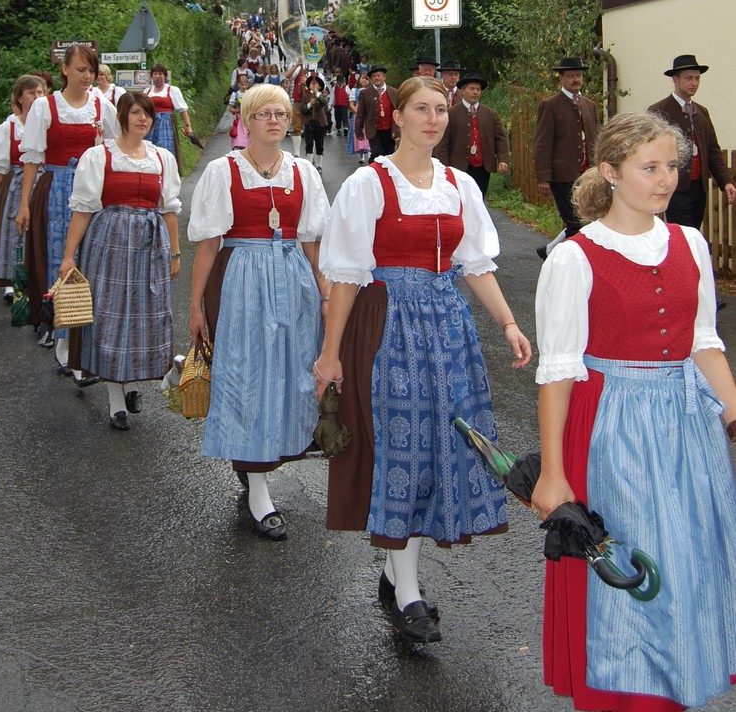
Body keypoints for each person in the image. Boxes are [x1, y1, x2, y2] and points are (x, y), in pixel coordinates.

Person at [531, 111, 736, 711]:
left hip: (687, 429)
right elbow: (558, 373)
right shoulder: (575, 258)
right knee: (631, 565)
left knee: (690, 559)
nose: (666, 179)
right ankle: (630, 695)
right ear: (611, 171)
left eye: (672, 166)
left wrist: (732, 411)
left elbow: (704, 343)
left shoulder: (690, 243)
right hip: (613, 430)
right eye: (650, 167)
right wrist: (552, 475)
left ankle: (676, 686)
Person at [314, 77, 531, 643]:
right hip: (388, 324)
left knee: (441, 445)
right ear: (399, 117)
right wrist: (330, 354)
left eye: (441, 110)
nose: (433, 119)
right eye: (421, 109)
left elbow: (475, 265)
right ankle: (407, 591)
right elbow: (345, 277)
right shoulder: (368, 184)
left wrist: (508, 323)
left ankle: (396, 576)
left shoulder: (460, 185)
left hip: (447, 327)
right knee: (401, 447)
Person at [188, 83, 330, 541]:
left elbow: (313, 241)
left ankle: (260, 465)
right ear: (246, 121)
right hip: (239, 281)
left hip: (292, 280)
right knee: (246, 377)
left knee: (290, 375)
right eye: (264, 113)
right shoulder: (224, 171)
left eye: (281, 113)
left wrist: (325, 293)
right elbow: (208, 244)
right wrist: (195, 305)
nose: (274, 120)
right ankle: (259, 490)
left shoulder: (302, 172)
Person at [58, 92, 181, 430]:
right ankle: (116, 399)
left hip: (150, 245)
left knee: (145, 315)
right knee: (110, 317)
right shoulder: (99, 156)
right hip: (109, 242)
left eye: (148, 114)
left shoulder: (162, 158)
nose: (143, 119)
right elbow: (83, 209)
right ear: (122, 117)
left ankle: (133, 383)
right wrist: (68, 255)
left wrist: (174, 253)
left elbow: (169, 209)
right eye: (137, 113)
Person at [16, 44, 118, 375]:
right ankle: (63, 341)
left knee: (91, 261)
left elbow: (115, 150)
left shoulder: (102, 106)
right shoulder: (45, 107)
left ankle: (85, 339)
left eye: (91, 71)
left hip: (93, 190)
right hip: (57, 189)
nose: (87, 76)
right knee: (60, 259)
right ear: (65, 70)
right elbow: (32, 159)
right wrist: (24, 204)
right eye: (81, 70)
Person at [647, 53, 735, 230]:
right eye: (689, 78)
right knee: (682, 234)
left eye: (697, 78)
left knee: (694, 233)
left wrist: (726, 181)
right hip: (675, 187)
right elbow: (650, 151)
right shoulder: (659, 110)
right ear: (675, 80)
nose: (694, 83)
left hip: (699, 188)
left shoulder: (702, 112)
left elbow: (712, 150)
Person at [0, 75, 47, 298]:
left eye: (40, 92)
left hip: (43, 183)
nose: (37, 97)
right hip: (17, 184)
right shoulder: (8, 128)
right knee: (14, 231)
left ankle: (37, 281)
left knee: (39, 232)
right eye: (31, 93)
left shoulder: (48, 124)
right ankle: (12, 281)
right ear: (19, 98)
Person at [533, 57, 599, 260]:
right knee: (576, 221)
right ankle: (561, 255)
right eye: (570, 76)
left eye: (578, 75)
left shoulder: (590, 105)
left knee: (586, 220)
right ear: (561, 78)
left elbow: (596, 138)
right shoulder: (550, 105)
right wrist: (543, 177)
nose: (576, 79)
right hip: (562, 175)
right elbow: (542, 142)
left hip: (587, 174)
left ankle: (549, 251)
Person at [434, 71, 509, 200]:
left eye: (478, 89)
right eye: (472, 89)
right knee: (460, 199)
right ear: (462, 91)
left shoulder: (490, 114)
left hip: (483, 167)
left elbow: (500, 138)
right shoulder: (451, 113)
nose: (475, 92)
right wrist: (444, 167)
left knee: (479, 199)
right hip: (459, 166)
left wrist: (503, 159)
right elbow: (443, 142)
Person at [143, 64, 192, 167]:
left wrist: (188, 126)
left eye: (160, 74)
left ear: (165, 76)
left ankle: (167, 170)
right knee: (148, 150)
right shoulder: (147, 92)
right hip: (150, 125)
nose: (158, 76)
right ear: (152, 76)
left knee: (165, 150)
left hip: (166, 125)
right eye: (155, 74)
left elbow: (182, 110)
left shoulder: (172, 90)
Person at [354, 64, 398, 159]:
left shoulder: (394, 92)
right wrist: (358, 130)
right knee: (376, 154)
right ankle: (374, 166)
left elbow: (399, 113)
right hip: (374, 130)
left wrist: (398, 131)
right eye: (374, 76)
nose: (377, 78)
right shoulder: (365, 93)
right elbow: (360, 114)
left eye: (379, 75)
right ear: (371, 79)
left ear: (384, 77)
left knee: (389, 155)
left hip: (389, 130)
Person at [300, 73, 328, 171]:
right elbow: (302, 109)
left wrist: (317, 94)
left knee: (320, 144)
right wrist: (309, 104)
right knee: (309, 143)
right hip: (309, 123)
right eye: (312, 83)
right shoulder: (306, 96)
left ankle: (319, 164)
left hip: (320, 123)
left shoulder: (321, 96)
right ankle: (309, 164)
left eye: (316, 84)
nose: (313, 85)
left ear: (319, 86)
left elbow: (324, 103)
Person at [346, 72, 371, 165]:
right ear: (359, 80)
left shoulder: (372, 90)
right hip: (358, 115)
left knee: (369, 134)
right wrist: (358, 112)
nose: (364, 80)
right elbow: (351, 104)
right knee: (359, 134)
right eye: (362, 78)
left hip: (369, 115)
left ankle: (370, 154)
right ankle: (361, 156)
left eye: (366, 78)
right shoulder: (355, 90)